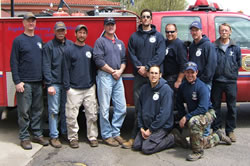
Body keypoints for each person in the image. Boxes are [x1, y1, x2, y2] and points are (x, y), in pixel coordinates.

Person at [124, 9, 166, 148]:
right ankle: (134, 136)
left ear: (151, 19)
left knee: (156, 108)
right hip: (139, 78)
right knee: (139, 108)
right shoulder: (134, 37)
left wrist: (147, 68)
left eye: (148, 16)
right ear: (140, 19)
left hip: (153, 78)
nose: (146, 19)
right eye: (143, 17)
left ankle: (155, 135)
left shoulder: (159, 37)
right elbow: (131, 54)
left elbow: (160, 55)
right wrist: (139, 68)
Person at [176, 62, 232, 161]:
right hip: (195, 114)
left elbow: (203, 109)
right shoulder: (183, 87)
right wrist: (182, 116)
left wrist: (186, 117)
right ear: (184, 73)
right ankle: (217, 137)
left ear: (196, 72)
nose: (190, 75)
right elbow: (179, 103)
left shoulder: (202, 87)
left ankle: (198, 152)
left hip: (208, 113)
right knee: (192, 143)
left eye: (192, 72)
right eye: (187, 72)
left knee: (194, 121)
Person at [10, 13, 49, 150]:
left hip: (38, 82)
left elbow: (42, 61)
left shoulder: (38, 40)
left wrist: (44, 79)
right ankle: (24, 137)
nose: (31, 23)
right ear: (23, 23)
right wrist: (17, 81)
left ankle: (37, 135)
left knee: (38, 110)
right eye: (29, 21)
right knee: (24, 111)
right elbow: (13, 62)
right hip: (24, 83)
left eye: (33, 21)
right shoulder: (18, 40)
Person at [63, 24, 98, 148]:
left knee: (92, 114)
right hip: (73, 89)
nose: (82, 35)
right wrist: (67, 87)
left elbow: (94, 69)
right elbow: (65, 69)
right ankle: (73, 138)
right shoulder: (69, 50)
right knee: (71, 116)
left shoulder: (90, 50)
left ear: (86, 35)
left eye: (84, 33)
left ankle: (92, 137)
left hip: (89, 88)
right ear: (75, 34)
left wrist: (93, 84)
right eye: (80, 32)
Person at [93, 17, 127, 147]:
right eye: (108, 24)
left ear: (115, 26)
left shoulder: (120, 43)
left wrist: (120, 71)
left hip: (118, 77)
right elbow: (98, 60)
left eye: (112, 24)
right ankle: (107, 135)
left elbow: (124, 60)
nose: (110, 26)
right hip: (105, 76)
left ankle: (115, 132)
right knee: (105, 108)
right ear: (104, 27)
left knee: (122, 107)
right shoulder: (100, 41)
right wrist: (113, 71)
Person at [43, 21, 73, 148]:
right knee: (54, 111)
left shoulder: (71, 45)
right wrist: (49, 84)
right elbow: (46, 65)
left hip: (67, 84)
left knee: (66, 110)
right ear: (54, 31)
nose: (61, 33)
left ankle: (65, 133)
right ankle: (54, 136)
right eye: (58, 31)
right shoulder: (49, 46)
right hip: (54, 84)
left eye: (63, 30)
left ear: (66, 31)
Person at [132, 65, 175, 154]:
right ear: (147, 74)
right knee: (136, 146)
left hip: (161, 127)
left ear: (160, 75)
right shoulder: (144, 89)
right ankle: (152, 138)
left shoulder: (166, 90)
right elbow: (140, 110)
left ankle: (172, 138)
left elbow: (164, 114)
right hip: (147, 126)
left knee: (146, 148)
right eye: (151, 73)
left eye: (156, 73)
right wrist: (141, 127)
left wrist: (151, 130)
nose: (153, 75)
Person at [211, 23, 241, 142]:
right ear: (219, 32)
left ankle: (230, 130)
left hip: (230, 81)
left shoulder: (235, 48)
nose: (224, 32)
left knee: (232, 107)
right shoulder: (214, 46)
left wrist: (232, 73)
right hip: (217, 81)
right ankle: (216, 128)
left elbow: (238, 63)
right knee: (215, 107)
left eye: (226, 30)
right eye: (222, 30)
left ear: (230, 32)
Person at [188, 20, 217, 136]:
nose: (194, 32)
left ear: (201, 31)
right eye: (192, 30)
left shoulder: (208, 45)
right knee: (197, 107)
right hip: (194, 82)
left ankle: (205, 134)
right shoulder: (192, 46)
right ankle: (198, 132)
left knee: (204, 107)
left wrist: (202, 81)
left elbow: (211, 65)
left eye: (196, 30)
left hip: (204, 83)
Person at [163, 23, 188, 110]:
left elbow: (184, 64)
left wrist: (179, 80)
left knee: (175, 104)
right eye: (167, 32)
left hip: (174, 78)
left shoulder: (179, 45)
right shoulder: (165, 43)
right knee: (168, 103)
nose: (169, 34)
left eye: (172, 32)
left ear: (176, 32)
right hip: (166, 78)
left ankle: (177, 122)